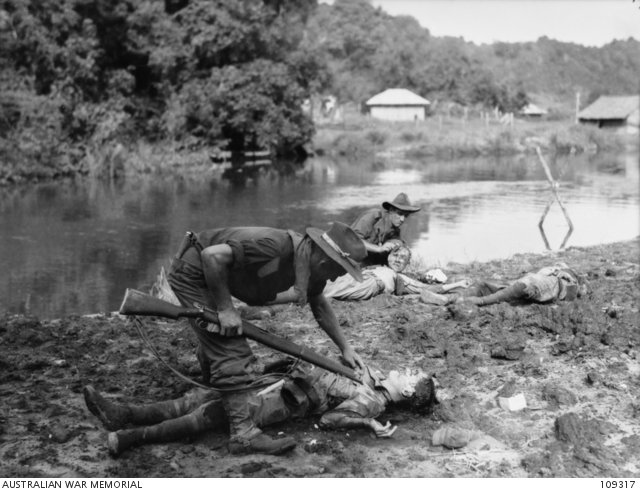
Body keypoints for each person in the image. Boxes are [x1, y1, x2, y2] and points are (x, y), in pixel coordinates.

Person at [166, 222, 368, 455]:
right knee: (231, 347)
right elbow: (211, 256)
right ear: (325, 262)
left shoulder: (308, 261)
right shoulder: (274, 247)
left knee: (219, 338)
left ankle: (214, 389)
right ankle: (243, 435)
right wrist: (225, 308)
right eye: (338, 272)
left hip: (215, 273)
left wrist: (346, 348)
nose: (333, 280)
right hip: (194, 270)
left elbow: (319, 304)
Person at [82, 361, 438, 457]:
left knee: (205, 417)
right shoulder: (373, 380)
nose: (407, 367)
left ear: (406, 389)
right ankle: (122, 413)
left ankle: (129, 436)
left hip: (278, 404)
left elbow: (330, 418)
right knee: (195, 399)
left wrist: (366, 425)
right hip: (280, 384)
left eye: (412, 373)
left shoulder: (373, 402)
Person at [442, 262, 589, 306]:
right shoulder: (551, 271)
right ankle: (451, 298)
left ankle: (471, 301)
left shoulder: (569, 277)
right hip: (535, 280)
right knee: (483, 284)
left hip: (548, 286)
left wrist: (567, 275)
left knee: (524, 286)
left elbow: (581, 291)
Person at [350, 193, 420, 267]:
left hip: (365, 265)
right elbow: (353, 241)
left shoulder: (394, 232)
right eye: (400, 214)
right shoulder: (373, 217)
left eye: (406, 215)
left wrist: (398, 248)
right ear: (391, 210)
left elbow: (399, 243)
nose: (402, 219)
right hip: (347, 258)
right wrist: (378, 248)